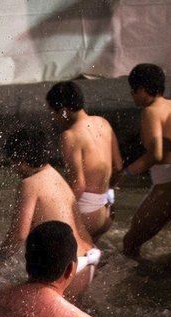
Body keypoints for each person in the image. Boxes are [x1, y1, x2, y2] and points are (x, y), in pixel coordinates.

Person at [0, 127, 98, 300]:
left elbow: (19, 234)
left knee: (11, 304)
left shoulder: (30, 183)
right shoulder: (53, 174)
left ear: (21, 160)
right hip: (89, 259)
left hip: (68, 270)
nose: (14, 168)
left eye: (13, 162)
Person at [114, 63, 171, 258]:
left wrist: (126, 173)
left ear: (143, 89)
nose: (132, 96)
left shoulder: (151, 112)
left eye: (133, 91)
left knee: (130, 243)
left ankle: (141, 284)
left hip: (170, 188)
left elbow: (154, 155)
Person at [46, 81, 122, 240]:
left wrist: (54, 212)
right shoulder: (103, 123)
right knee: (92, 256)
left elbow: (78, 185)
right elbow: (118, 167)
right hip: (105, 211)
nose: (54, 118)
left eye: (54, 113)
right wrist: (104, 196)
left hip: (87, 214)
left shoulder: (70, 135)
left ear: (65, 111)